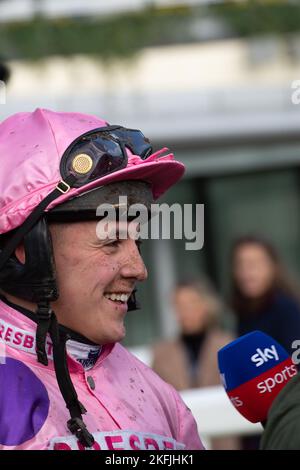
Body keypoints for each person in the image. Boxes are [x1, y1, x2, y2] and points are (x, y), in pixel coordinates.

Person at [0, 108, 204, 450]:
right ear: (26, 250)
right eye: (111, 242)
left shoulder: (158, 393)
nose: (139, 269)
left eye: (136, 241)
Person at [230, 235, 300, 449]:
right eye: (241, 264)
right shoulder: (244, 314)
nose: (246, 271)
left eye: (254, 263)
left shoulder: (286, 310)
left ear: (273, 267)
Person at [152, 279, 239, 449]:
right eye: (179, 305)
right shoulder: (161, 353)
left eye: (191, 303)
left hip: (225, 439)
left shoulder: (228, 345)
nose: (185, 312)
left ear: (206, 305)